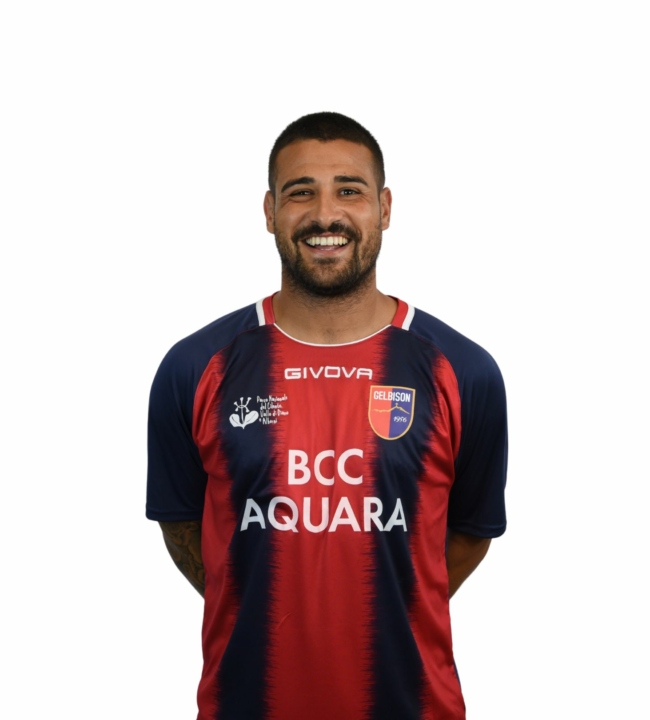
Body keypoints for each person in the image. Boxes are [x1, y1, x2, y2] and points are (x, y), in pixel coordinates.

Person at [146, 111, 508, 720]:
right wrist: (258, 596)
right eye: (300, 193)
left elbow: (470, 533)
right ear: (269, 211)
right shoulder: (194, 368)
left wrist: (392, 597)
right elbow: (184, 527)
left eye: (349, 190)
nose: (324, 214)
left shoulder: (464, 372)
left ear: (384, 208)